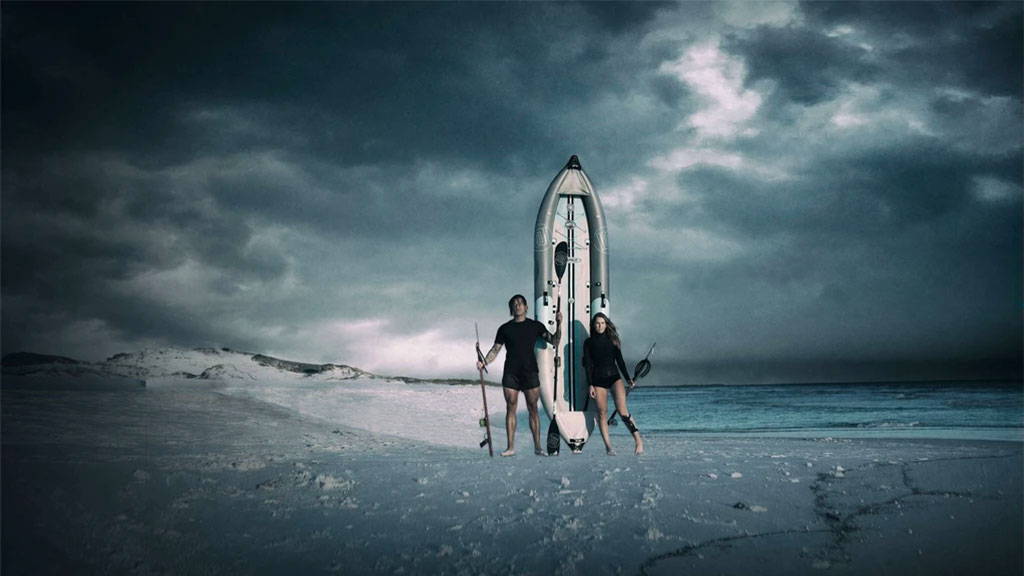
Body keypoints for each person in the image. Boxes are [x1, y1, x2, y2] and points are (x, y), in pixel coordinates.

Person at [477, 294, 561, 456]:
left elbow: (554, 341)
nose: (518, 306)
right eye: (514, 304)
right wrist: (484, 362)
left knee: (533, 409)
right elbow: (495, 349)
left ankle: (537, 447)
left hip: (530, 372)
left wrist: (559, 323)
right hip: (511, 373)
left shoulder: (535, 326)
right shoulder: (504, 328)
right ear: (511, 308)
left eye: (521, 303)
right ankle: (510, 447)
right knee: (511, 408)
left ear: (526, 307)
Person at [583, 313, 644, 455]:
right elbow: (587, 365)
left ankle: (638, 441)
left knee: (623, 411)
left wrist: (628, 379)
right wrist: (590, 384)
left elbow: (620, 361)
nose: (600, 326)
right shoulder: (589, 343)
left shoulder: (613, 340)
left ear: (606, 324)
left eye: (603, 323)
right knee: (602, 413)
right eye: (597, 323)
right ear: (593, 325)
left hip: (614, 377)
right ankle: (609, 447)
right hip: (598, 381)